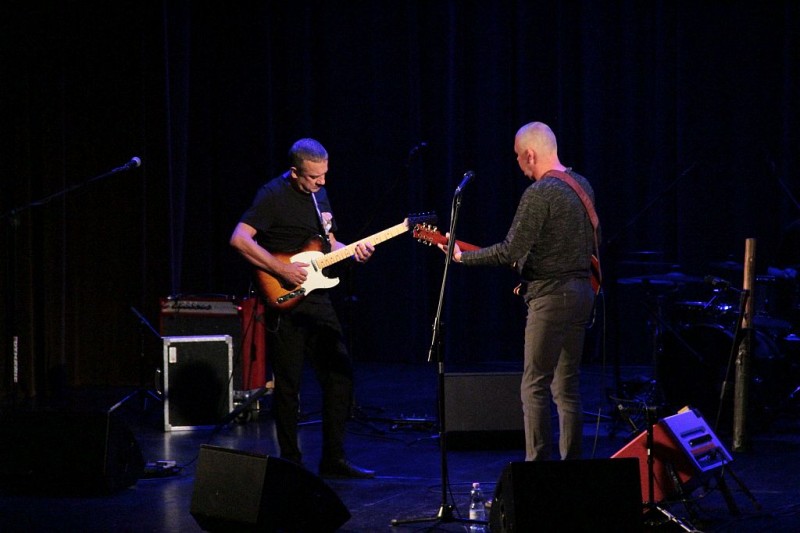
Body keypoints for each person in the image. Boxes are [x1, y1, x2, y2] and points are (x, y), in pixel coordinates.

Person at [440, 122, 598, 461]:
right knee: (567, 388)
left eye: (517, 156)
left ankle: (537, 469)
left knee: (534, 386)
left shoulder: (540, 193)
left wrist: (463, 258)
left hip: (552, 299)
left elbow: (509, 250)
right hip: (582, 294)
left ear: (530, 154)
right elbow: (558, 247)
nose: (517, 162)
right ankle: (573, 467)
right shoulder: (581, 185)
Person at [230, 138, 376, 478]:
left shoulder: (318, 194)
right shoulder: (272, 195)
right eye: (313, 177)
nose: (321, 182)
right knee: (288, 386)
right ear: (295, 172)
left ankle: (334, 459)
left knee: (339, 375)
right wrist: (280, 269)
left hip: (318, 298)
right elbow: (239, 238)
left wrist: (354, 251)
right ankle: (291, 463)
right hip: (285, 301)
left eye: (324, 175)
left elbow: (329, 243)